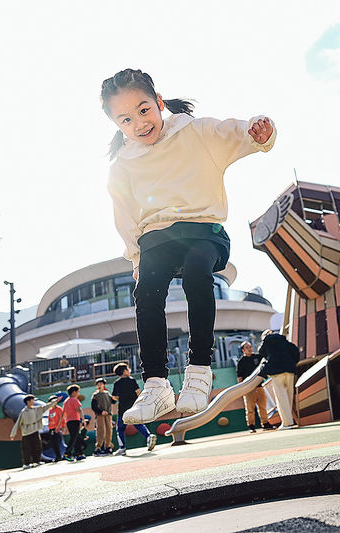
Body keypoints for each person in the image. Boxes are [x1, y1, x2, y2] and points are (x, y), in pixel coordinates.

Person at [101, 68, 276, 425]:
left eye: (144, 110)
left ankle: (199, 373)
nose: (139, 123)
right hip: (155, 238)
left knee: (198, 273)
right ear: (118, 126)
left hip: (202, 230)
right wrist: (136, 256)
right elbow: (125, 214)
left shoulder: (195, 132)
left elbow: (240, 133)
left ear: (159, 103)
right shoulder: (122, 165)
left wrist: (260, 130)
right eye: (126, 119)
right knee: (146, 290)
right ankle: (156, 385)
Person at [110, 363, 157, 455]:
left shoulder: (117, 383)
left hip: (123, 409)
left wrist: (121, 399)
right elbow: (138, 392)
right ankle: (148, 436)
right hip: (134, 407)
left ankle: (122, 448)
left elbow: (114, 397)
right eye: (128, 369)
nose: (129, 370)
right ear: (124, 371)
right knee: (138, 424)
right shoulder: (132, 381)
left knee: (120, 429)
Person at [258, 330, 300, 430]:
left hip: (276, 371)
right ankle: (289, 420)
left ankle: (287, 423)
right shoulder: (283, 340)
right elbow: (295, 351)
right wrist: (292, 363)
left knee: (281, 397)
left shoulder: (267, 340)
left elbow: (261, 351)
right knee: (289, 396)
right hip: (289, 369)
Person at [10, 394, 60, 469]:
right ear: (28, 401)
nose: (33, 401)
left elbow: (46, 407)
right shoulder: (23, 412)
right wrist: (13, 434)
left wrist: (54, 401)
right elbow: (18, 423)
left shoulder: (36, 409)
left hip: (35, 431)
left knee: (37, 447)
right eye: (32, 400)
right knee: (27, 448)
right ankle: (26, 463)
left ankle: (36, 461)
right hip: (26, 433)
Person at [236, 342, 273, 433]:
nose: (249, 348)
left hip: (259, 387)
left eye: (250, 347)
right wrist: (242, 389)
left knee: (262, 407)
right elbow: (239, 377)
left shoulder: (258, 357)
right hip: (248, 389)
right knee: (250, 409)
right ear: (243, 350)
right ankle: (251, 426)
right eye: (247, 347)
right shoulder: (241, 362)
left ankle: (265, 423)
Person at [91, 378, 116, 456]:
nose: (99, 386)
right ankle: (98, 448)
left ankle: (107, 446)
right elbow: (94, 406)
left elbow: (113, 401)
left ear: (104, 385)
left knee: (109, 430)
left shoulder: (107, 393)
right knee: (101, 431)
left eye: (100, 384)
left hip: (108, 414)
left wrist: (115, 397)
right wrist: (101, 412)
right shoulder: (95, 395)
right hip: (100, 415)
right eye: (97, 384)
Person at [63, 385, 86, 461]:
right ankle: (67, 453)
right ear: (73, 392)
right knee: (74, 438)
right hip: (75, 421)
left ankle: (78, 453)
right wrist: (83, 420)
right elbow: (79, 410)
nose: (78, 393)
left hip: (69, 422)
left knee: (75, 437)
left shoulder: (66, 401)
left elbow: (64, 413)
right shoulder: (74, 400)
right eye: (77, 392)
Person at [46, 394, 66, 462]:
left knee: (60, 442)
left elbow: (62, 418)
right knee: (53, 443)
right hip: (51, 429)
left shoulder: (59, 409)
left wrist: (62, 427)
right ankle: (58, 456)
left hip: (57, 428)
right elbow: (49, 420)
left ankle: (63, 455)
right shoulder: (50, 410)